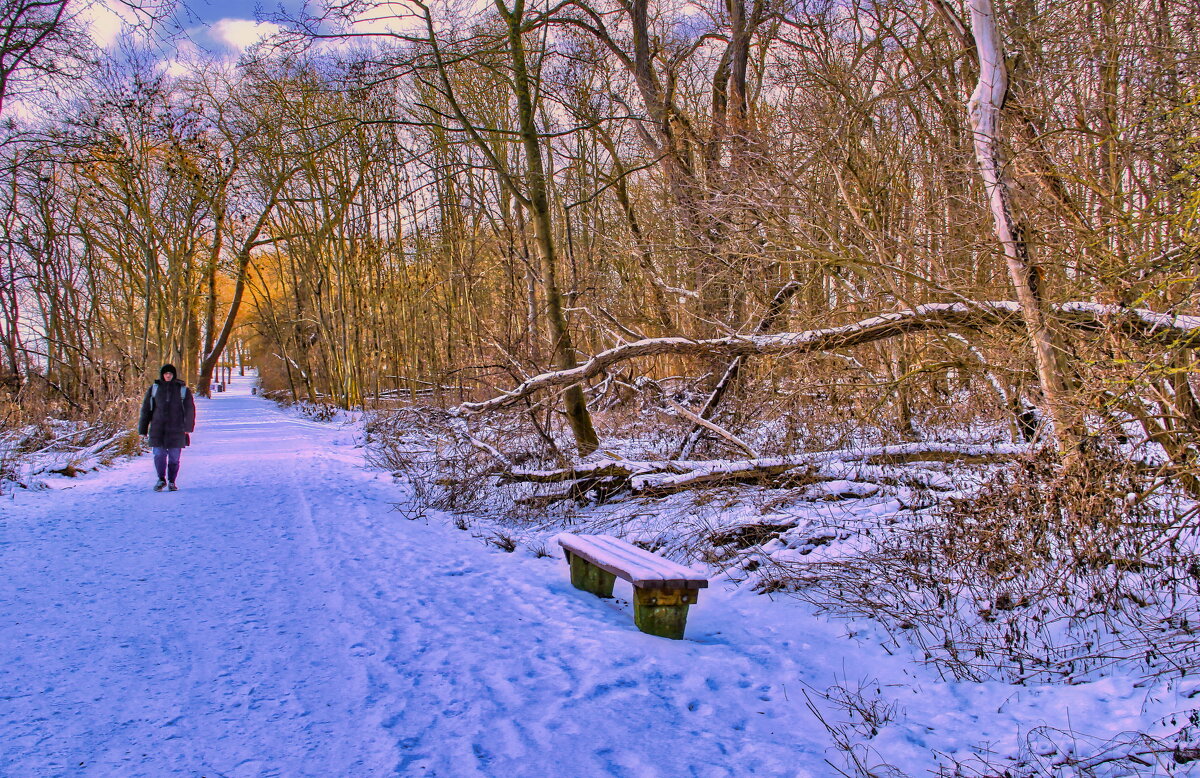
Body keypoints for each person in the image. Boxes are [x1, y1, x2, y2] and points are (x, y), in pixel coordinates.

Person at [137, 364, 196, 492]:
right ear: (162, 375)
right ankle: (161, 479)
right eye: (165, 373)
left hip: (177, 429)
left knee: (174, 458)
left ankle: (172, 481)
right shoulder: (154, 389)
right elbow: (146, 410)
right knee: (159, 455)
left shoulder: (182, 390)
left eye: (170, 373)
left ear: (174, 375)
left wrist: (188, 427)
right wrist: (142, 429)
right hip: (158, 430)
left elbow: (190, 410)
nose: (168, 375)